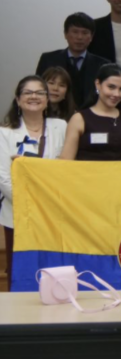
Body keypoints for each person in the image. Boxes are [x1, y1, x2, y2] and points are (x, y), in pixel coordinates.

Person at [0, 76, 68, 281]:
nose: (34, 97)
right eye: (28, 93)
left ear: (47, 100)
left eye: (39, 93)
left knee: (54, 271)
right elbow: (4, 179)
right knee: (20, 272)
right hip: (19, 214)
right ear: (18, 100)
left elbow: (66, 169)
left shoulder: (61, 126)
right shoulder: (4, 133)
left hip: (54, 213)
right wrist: (32, 204)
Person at [60, 64, 121, 161]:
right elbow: (66, 159)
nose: (116, 94)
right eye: (111, 87)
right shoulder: (79, 119)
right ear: (98, 84)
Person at [36, 12, 109, 107]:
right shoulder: (48, 59)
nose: (79, 37)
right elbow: (38, 89)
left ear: (91, 37)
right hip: (54, 112)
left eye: (85, 33)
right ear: (65, 34)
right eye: (75, 32)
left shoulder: (103, 65)